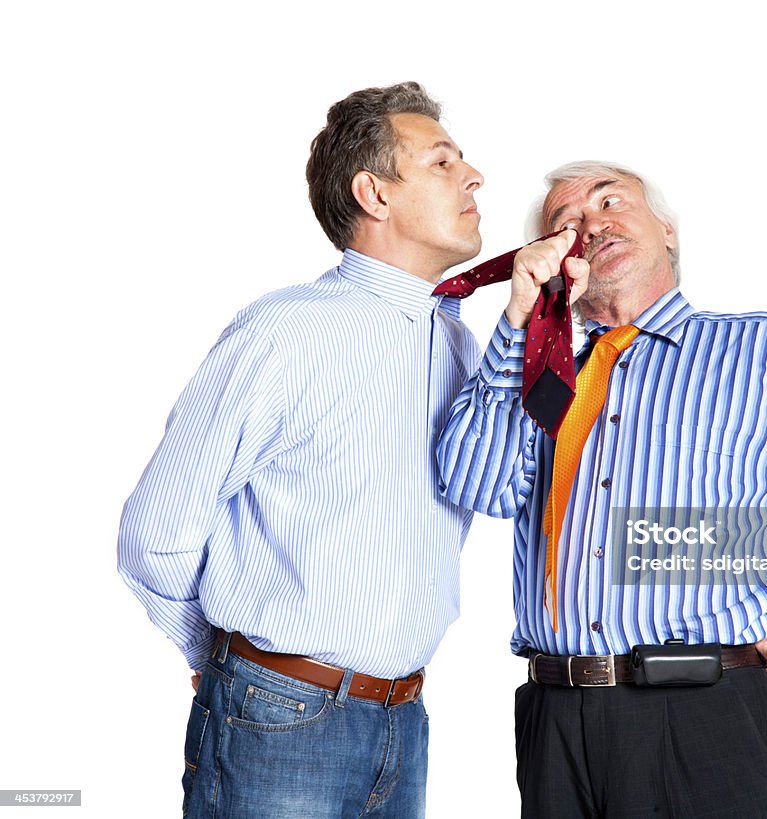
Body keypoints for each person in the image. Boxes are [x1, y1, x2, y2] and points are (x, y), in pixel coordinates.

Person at [436, 160, 767, 818]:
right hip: (553, 721)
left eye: (610, 202)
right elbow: (475, 482)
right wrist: (518, 321)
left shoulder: (765, 353)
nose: (591, 223)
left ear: (667, 231)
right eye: (564, 224)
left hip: (701, 718)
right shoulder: (544, 372)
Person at [118, 81, 484, 818]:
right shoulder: (285, 333)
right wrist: (227, 659)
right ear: (373, 194)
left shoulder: (456, 342)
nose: (473, 176)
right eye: (442, 162)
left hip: (404, 721)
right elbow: (154, 533)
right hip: (278, 717)